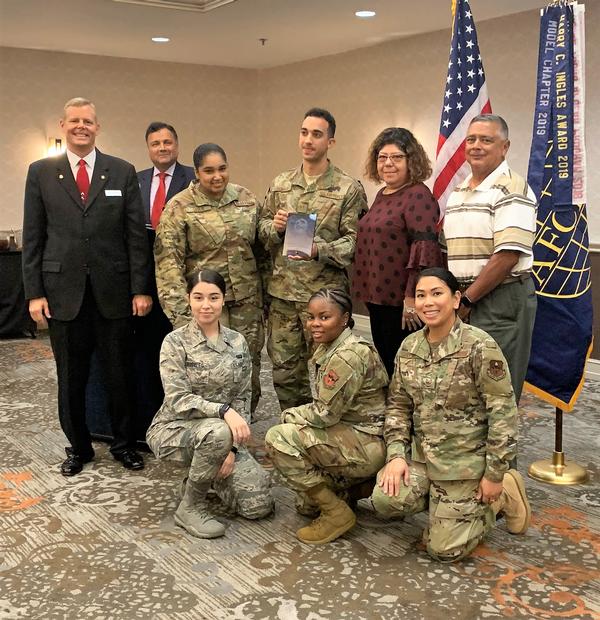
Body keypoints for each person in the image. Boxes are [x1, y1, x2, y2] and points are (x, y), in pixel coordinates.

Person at [22, 97, 152, 475]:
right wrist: (34, 293)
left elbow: (134, 237)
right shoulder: (41, 172)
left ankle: (125, 444)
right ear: (62, 125)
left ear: (98, 127)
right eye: (75, 120)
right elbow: (34, 236)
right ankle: (78, 447)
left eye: (89, 121)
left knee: (119, 374)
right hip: (62, 294)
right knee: (71, 377)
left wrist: (140, 289)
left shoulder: (121, 171)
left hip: (113, 294)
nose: (82, 126)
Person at [371, 268, 531, 563]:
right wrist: (396, 455)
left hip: (467, 464)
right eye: (421, 295)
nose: (428, 302)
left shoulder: (479, 346)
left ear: (456, 299)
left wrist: (494, 474)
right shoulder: (409, 347)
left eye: (437, 293)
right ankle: (446, 508)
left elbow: (503, 413)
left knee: (443, 550)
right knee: (385, 500)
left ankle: (502, 495)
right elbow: (398, 406)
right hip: (425, 459)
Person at [146, 269, 273, 539]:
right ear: (188, 299)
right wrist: (223, 413)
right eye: (199, 297)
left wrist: (233, 450)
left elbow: (243, 397)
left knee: (258, 505)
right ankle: (191, 506)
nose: (206, 305)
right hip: (175, 429)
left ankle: (199, 478)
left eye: (214, 297)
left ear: (223, 300)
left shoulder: (237, 341)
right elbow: (178, 399)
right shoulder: (175, 342)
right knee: (218, 431)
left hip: (221, 436)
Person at [258, 107, 368, 411]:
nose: (308, 140)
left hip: (324, 299)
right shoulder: (281, 184)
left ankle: (326, 438)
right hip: (282, 298)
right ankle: (294, 431)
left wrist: (319, 249)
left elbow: (354, 245)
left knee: (329, 372)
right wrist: (276, 229)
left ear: (330, 142)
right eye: (304, 133)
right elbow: (262, 233)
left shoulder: (348, 188)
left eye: (317, 134)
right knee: (284, 373)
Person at [265, 288, 388, 545]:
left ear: (344, 318)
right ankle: (346, 491)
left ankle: (336, 513)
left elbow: (324, 414)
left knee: (279, 439)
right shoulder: (332, 345)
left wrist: (290, 414)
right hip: (353, 433)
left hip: (368, 443)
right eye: (311, 317)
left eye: (324, 317)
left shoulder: (348, 355)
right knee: (306, 505)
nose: (314, 324)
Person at [154, 143, 265, 414]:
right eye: (209, 171)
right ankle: (211, 435)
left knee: (246, 369)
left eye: (223, 169)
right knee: (205, 374)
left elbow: (263, 251)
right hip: (205, 307)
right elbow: (168, 266)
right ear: (196, 172)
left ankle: (241, 431)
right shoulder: (180, 207)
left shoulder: (246, 198)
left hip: (246, 306)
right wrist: (183, 317)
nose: (217, 176)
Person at [443, 114, 537, 403]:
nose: (476, 145)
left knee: (497, 389)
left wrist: (467, 301)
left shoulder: (512, 189)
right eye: (471, 139)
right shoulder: (458, 192)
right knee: (466, 383)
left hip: (500, 298)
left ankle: (500, 448)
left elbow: (507, 256)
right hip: (466, 297)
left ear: (505, 147)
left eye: (486, 139)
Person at [353, 127, 445, 377]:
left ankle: (409, 414)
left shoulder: (418, 195)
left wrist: (412, 297)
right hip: (377, 296)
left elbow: (425, 249)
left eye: (397, 157)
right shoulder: (383, 195)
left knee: (408, 365)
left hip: (403, 302)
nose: (388, 163)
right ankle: (396, 411)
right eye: (382, 157)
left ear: (411, 160)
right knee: (388, 359)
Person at [135, 122, 195, 426]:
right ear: (148, 148)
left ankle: (186, 415)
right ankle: (154, 414)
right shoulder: (136, 181)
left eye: (167, 142)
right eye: (155, 143)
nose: (162, 147)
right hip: (147, 284)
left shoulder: (195, 179)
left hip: (185, 284)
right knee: (152, 351)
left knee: (186, 352)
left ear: (177, 145)